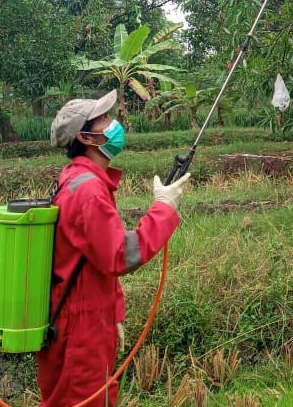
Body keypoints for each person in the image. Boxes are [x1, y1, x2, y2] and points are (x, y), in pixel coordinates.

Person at [36, 89, 190, 407]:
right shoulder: (88, 190)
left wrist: (113, 315)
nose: (113, 122)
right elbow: (119, 255)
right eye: (104, 118)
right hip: (80, 328)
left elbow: (91, 259)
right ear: (87, 137)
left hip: (86, 318)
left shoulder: (76, 179)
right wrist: (163, 208)